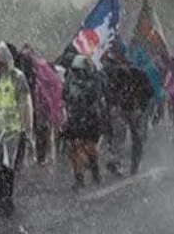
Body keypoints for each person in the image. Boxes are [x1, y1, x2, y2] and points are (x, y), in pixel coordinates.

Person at [0, 43, 32, 216]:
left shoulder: (17, 77)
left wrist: (27, 127)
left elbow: (25, 103)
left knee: (8, 165)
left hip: (13, 129)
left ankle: (8, 198)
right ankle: (1, 198)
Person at [101, 46, 152, 177]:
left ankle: (122, 163)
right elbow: (110, 92)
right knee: (130, 137)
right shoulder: (133, 74)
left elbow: (148, 91)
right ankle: (126, 164)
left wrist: (140, 106)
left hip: (130, 110)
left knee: (125, 137)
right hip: (128, 110)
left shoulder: (131, 74)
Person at [63, 55, 106, 186]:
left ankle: (94, 169)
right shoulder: (71, 80)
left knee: (89, 146)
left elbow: (95, 96)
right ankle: (79, 177)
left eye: (79, 70)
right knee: (74, 148)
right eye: (75, 70)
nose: (77, 73)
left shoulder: (95, 80)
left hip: (90, 118)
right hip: (75, 117)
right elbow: (65, 95)